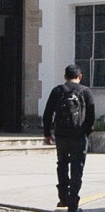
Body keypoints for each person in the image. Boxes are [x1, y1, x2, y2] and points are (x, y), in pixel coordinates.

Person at [43, 64, 95, 212]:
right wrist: (86, 133)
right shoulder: (86, 92)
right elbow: (91, 117)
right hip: (79, 136)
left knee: (62, 165)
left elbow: (48, 114)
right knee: (77, 169)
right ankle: (73, 205)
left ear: (65, 76)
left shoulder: (58, 91)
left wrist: (47, 133)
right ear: (80, 76)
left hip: (61, 136)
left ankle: (63, 198)